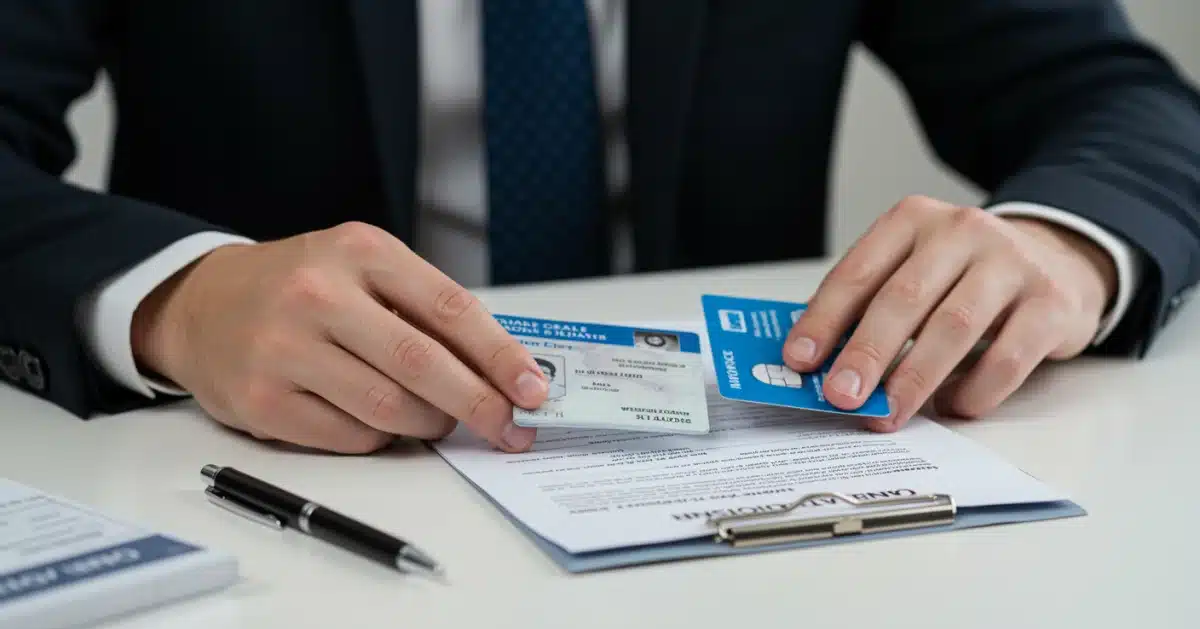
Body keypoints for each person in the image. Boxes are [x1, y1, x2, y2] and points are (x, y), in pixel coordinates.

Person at [2, 1, 1198, 456]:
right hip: (280, 468)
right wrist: (175, 299)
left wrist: (1065, 242)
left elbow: (1115, 96)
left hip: (731, 487)